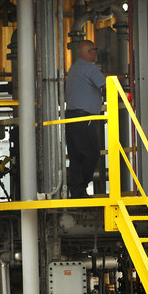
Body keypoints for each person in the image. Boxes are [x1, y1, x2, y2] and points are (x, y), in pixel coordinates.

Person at [64, 40, 107, 198]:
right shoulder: (90, 67)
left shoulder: (75, 68)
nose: (96, 53)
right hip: (84, 118)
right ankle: (81, 187)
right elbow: (106, 84)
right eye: (95, 50)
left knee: (76, 156)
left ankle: (77, 191)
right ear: (90, 52)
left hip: (71, 117)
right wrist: (127, 98)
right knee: (92, 153)